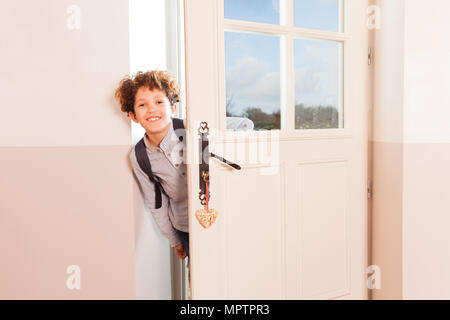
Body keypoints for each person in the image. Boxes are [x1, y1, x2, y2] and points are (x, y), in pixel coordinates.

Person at [115, 70, 189, 260]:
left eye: (159, 102)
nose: (151, 109)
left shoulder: (192, 129)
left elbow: (241, 126)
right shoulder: (140, 157)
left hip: (217, 217)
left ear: (172, 108)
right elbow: (156, 203)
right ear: (133, 115)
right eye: (142, 105)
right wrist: (175, 240)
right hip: (186, 228)